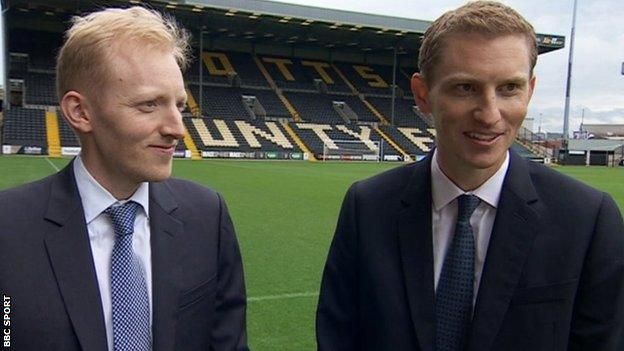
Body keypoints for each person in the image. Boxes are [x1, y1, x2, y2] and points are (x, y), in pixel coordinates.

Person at [316, 1, 624, 350]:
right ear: (423, 95)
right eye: (465, 88)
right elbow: (339, 337)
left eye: (509, 88)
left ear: (530, 91)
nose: (489, 114)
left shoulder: (587, 219)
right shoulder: (368, 207)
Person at [0, 7, 248, 350]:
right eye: (149, 104)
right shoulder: (8, 226)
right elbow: (5, 332)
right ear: (80, 112)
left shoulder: (207, 215)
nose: (177, 128)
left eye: (179, 105)